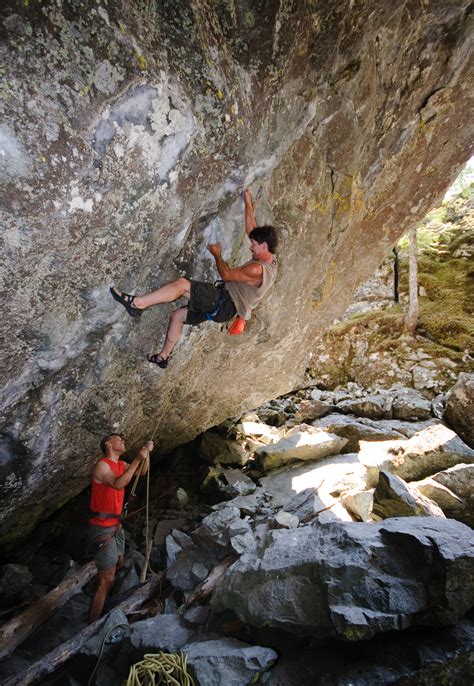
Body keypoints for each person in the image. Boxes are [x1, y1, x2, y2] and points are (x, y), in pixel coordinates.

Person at [110, 188, 278, 368]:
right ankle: (163, 357)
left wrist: (217, 255)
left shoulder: (256, 269)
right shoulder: (270, 260)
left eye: (253, 245)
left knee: (183, 285)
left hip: (224, 302)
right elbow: (252, 229)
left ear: (264, 246)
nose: (250, 248)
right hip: (225, 309)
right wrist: (247, 202)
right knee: (178, 316)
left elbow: (227, 274)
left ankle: (137, 304)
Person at [87, 433, 152, 623]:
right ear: (108, 443)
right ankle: (91, 624)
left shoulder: (122, 464)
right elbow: (118, 484)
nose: (123, 440)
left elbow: (141, 473)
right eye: (118, 438)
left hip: (115, 526)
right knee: (107, 579)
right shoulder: (102, 465)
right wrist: (137, 459)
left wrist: (145, 457)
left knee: (117, 566)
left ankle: (100, 604)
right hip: (101, 529)